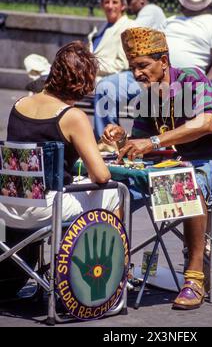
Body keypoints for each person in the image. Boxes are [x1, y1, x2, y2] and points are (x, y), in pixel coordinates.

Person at [102, 27, 212, 310]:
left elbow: (206, 123)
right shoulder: (148, 95)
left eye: (143, 66)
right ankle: (116, 270)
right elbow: (142, 145)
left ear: (164, 60)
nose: (137, 74)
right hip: (182, 167)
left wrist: (152, 141)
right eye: (133, 67)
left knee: (187, 182)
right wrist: (121, 139)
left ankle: (194, 277)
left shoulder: (192, 78)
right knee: (116, 190)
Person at [1, 41, 122, 229]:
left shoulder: (19, 104)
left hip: (7, 204)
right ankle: (110, 258)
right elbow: (101, 175)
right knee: (116, 192)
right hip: (45, 207)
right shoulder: (72, 116)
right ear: (84, 83)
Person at [89, 0, 138, 140]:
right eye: (106, 2)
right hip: (91, 77)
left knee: (105, 88)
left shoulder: (128, 27)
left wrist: (92, 68)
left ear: (123, 5)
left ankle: (108, 140)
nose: (110, 6)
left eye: (114, 2)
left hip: (112, 78)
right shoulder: (101, 29)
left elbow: (123, 64)